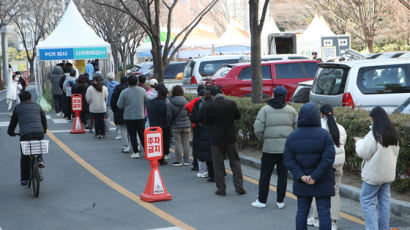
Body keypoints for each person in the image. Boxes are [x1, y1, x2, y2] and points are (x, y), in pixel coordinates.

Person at [283, 102, 335, 230]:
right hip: (322, 180)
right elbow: (328, 159)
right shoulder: (325, 135)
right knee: (324, 214)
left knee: (302, 212)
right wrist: (315, 176)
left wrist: (301, 176)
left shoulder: (293, 136)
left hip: (302, 182)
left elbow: (288, 159)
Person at [252, 86, 298, 209]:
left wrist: (263, 140)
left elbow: (258, 128)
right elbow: (296, 129)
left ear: (273, 94)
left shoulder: (265, 110)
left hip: (269, 149)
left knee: (265, 175)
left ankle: (262, 201)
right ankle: (280, 201)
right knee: (282, 175)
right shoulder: (291, 110)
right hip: (285, 149)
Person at [355, 106, 400, 230]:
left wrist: (358, 142)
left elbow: (364, 152)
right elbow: (396, 153)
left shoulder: (374, 134)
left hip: (373, 176)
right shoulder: (393, 133)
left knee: (367, 201)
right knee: (384, 203)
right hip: (388, 175)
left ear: (374, 119)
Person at [307, 104, 347, 230]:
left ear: (321, 114)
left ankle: (317, 218)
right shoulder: (340, 128)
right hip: (338, 164)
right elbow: (342, 143)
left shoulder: (319, 128)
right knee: (335, 192)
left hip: (324, 165)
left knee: (318, 191)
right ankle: (334, 222)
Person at [204, 86, 245, 196]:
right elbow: (238, 116)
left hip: (216, 139)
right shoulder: (231, 103)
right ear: (222, 93)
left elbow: (206, 122)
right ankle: (239, 187)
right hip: (231, 137)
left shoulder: (210, 106)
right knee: (235, 162)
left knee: (218, 164)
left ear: (212, 95)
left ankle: (221, 189)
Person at [7, 91, 47, 186]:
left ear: (20, 99)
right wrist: (44, 130)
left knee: (24, 155)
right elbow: (43, 119)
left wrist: (11, 133)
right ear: (31, 98)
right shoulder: (37, 106)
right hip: (39, 132)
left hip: (25, 134)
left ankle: (24, 179)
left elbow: (13, 123)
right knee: (38, 145)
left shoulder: (18, 108)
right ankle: (40, 159)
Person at [117, 75, 147, 158]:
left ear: (128, 82)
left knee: (132, 135)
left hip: (129, 116)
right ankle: (146, 151)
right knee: (142, 134)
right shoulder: (142, 90)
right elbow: (147, 101)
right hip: (140, 116)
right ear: (137, 82)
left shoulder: (124, 92)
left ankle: (135, 152)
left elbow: (119, 105)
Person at [167, 85, 191, 167]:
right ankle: (187, 161)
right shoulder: (186, 102)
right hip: (186, 125)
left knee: (178, 143)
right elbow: (189, 113)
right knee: (186, 143)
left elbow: (169, 116)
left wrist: (170, 123)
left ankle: (178, 161)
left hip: (176, 126)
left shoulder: (170, 104)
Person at [193, 89, 214, 181]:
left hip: (204, 130)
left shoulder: (202, 105)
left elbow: (197, 118)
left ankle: (210, 174)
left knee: (207, 153)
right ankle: (220, 173)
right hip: (216, 131)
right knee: (216, 153)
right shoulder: (215, 104)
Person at [147, 84, 170, 165]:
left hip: (153, 124)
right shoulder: (162, 103)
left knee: (156, 142)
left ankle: (155, 158)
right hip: (163, 125)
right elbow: (166, 114)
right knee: (163, 142)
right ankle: (161, 159)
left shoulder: (149, 101)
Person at [185, 84, 206, 171]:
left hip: (196, 126)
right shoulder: (206, 100)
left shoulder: (196, 100)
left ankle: (196, 164)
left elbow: (188, 106)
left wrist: (193, 113)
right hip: (205, 126)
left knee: (196, 146)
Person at [111, 76, 131, 153]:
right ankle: (137, 146)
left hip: (119, 112)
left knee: (123, 130)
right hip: (130, 112)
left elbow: (113, 103)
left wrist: (115, 111)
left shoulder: (116, 90)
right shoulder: (130, 90)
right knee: (132, 131)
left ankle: (126, 146)